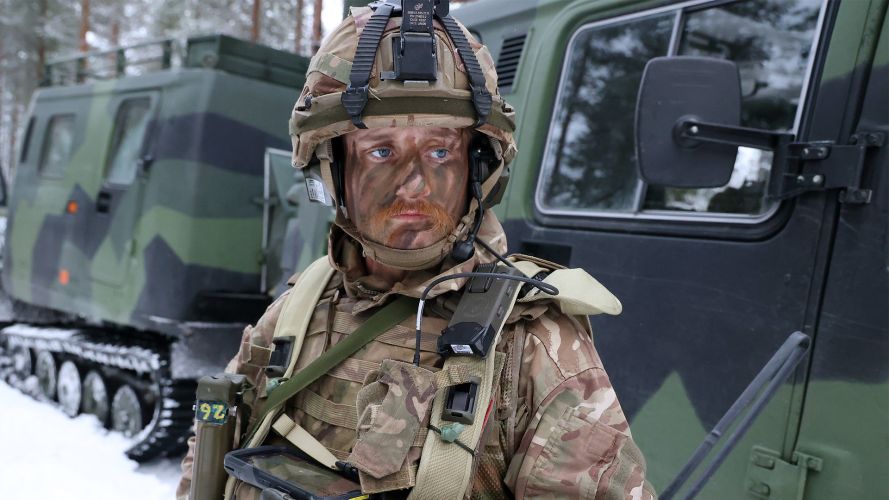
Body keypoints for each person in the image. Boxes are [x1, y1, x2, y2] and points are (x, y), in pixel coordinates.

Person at [178, 3, 655, 499]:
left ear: (477, 166)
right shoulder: (302, 306)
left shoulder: (533, 344)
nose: (414, 185)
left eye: (440, 150)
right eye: (381, 151)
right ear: (331, 169)